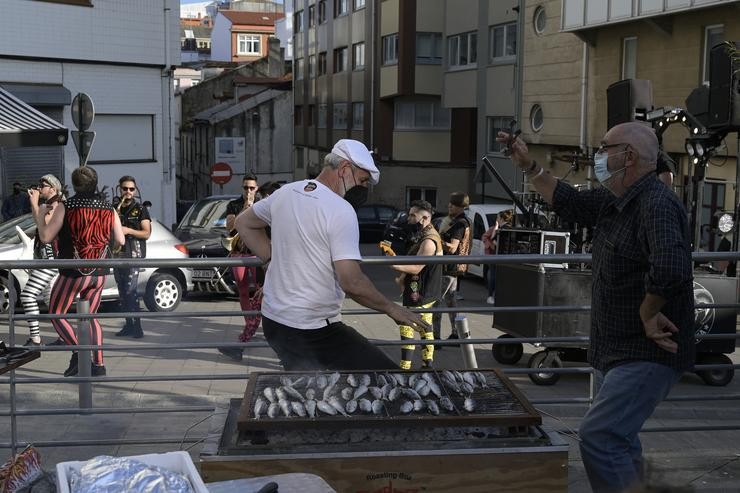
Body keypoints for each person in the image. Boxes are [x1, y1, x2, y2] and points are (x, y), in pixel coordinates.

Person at [497, 122, 695, 493]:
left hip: (644, 351)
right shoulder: (616, 198)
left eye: (605, 147)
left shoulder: (656, 203)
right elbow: (568, 200)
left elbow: (671, 268)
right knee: (618, 441)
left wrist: (648, 313)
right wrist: (528, 165)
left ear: (629, 156)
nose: (598, 155)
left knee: (600, 437)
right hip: (616, 349)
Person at [234, 139, 429, 370]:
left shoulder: (286, 192)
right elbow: (352, 282)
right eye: (363, 180)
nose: (364, 189)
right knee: (386, 376)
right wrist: (392, 308)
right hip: (312, 329)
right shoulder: (341, 210)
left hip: (274, 322)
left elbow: (243, 223)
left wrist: (270, 259)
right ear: (345, 169)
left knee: (309, 388)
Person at [36, 166, 125, 377]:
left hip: (73, 271)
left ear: (74, 184)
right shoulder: (108, 208)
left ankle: (78, 352)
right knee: (91, 317)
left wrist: (40, 216)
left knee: (57, 313)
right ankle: (99, 365)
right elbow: (120, 240)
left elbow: (46, 237)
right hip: (99, 272)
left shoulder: (68, 206)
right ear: (95, 183)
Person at [390, 200, 442, 369]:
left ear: (424, 218)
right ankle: (427, 365)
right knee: (425, 327)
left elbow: (416, 267)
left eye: (413, 215)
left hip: (421, 292)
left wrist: (393, 264)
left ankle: (405, 368)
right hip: (421, 290)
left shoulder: (428, 241)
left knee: (409, 325)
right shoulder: (426, 234)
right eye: (410, 214)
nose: (409, 218)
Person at [218, 174, 261, 361]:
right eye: (245, 188)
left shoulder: (262, 204)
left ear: (257, 188)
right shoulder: (234, 205)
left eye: (251, 188)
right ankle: (249, 323)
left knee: (260, 290)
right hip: (239, 251)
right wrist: (244, 209)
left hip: (258, 253)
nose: (248, 191)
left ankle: (250, 329)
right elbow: (230, 227)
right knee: (243, 290)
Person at [21, 175, 65, 346]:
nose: (39, 188)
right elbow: (38, 223)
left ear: (53, 188)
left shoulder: (57, 204)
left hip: (50, 258)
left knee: (27, 296)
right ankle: (64, 337)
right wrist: (35, 205)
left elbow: (45, 225)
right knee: (50, 299)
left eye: (43, 185)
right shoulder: (50, 203)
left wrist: (34, 203)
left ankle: (35, 338)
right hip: (47, 257)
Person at [113, 176, 151, 339]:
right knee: (122, 292)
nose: (128, 192)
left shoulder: (141, 208)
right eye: (125, 188)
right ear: (119, 189)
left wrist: (128, 231)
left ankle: (138, 327)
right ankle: (128, 325)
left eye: (131, 189)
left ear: (135, 190)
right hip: (117, 254)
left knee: (131, 290)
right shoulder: (115, 207)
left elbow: (147, 233)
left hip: (133, 253)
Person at [432, 192, 471, 344]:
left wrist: (435, 238)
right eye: (449, 203)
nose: (449, 206)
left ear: (462, 207)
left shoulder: (460, 224)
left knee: (436, 301)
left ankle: (435, 338)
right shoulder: (460, 221)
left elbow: (453, 248)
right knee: (451, 301)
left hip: (449, 267)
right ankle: (457, 333)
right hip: (452, 268)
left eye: (453, 204)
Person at [481, 209, 514, 305]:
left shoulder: (501, 229)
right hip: (506, 257)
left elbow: (493, 241)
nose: (497, 219)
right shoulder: (510, 228)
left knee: (493, 276)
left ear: (502, 218)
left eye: (498, 217)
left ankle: (491, 295)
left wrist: (495, 230)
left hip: (497, 256)